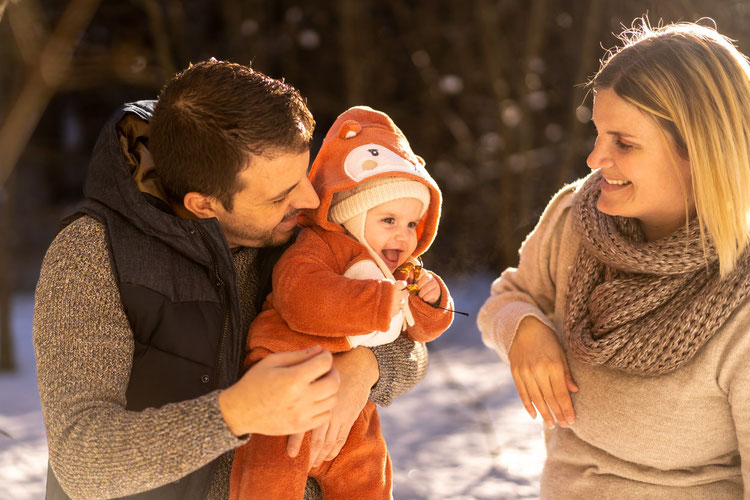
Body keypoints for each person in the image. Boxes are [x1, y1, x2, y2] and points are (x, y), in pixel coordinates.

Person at [32, 60, 430, 500]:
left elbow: (408, 335)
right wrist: (235, 414)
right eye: (281, 195)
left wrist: (364, 368)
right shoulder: (92, 254)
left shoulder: (303, 229)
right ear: (204, 205)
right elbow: (81, 461)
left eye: (304, 174)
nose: (310, 199)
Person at [477, 19, 750, 499]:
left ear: (703, 152)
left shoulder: (741, 303)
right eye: (599, 133)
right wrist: (523, 328)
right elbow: (508, 296)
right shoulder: (574, 221)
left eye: (624, 143)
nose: (594, 159)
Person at [229, 106, 454, 499]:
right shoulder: (316, 249)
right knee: (269, 480)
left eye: (412, 224)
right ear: (351, 213)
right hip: (285, 397)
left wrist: (431, 304)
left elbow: (416, 337)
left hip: (352, 417)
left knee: (368, 479)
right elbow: (304, 300)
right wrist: (378, 302)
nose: (403, 237)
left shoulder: (399, 269)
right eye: (388, 220)